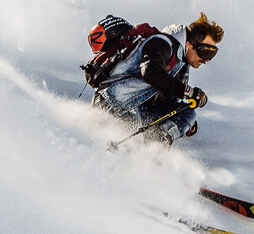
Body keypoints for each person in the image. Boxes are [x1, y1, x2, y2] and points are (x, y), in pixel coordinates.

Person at [92, 12, 224, 146]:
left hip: (138, 109)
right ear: (189, 44)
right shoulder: (161, 43)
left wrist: (182, 122)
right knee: (131, 145)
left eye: (212, 53)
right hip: (113, 104)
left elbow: (164, 99)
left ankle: (156, 148)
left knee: (188, 112)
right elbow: (150, 72)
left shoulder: (181, 63)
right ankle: (142, 152)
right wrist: (187, 92)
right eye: (205, 51)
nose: (206, 59)